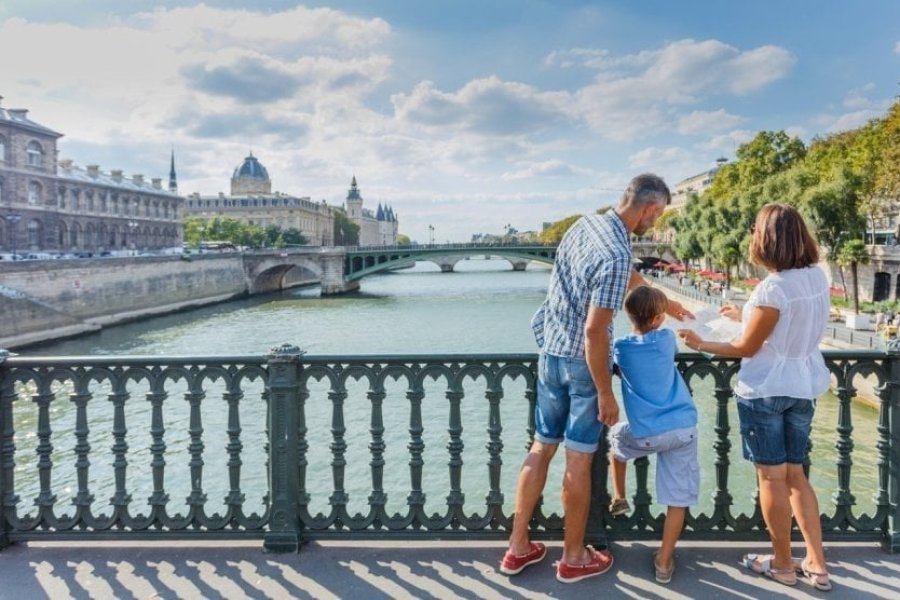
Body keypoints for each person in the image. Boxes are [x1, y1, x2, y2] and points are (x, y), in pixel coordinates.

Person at [499, 173, 693, 583]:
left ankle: (517, 546)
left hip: (549, 352)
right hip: (581, 364)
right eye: (657, 215)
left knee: (541, 447)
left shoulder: (584, 225)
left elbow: (626, 281)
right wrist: (606, 392)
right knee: (579, 458)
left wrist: (667, 302)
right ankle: (574, 557)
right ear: (650, 208)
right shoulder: (617, 255)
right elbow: (593, 332)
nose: (655, 223)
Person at [678, 203, 832, 591]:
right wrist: (742, 315)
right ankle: (817, 563)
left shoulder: (773, 288)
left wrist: (702, 342)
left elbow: (747, 348)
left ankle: (781, 563)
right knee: (797, 476)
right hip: (803, 387)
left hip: (766, 391)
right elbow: (782, 328)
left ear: (766, 239)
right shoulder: (816, 278)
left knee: (771, 479)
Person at [608, 286, 698, 584]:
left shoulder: (621, 347)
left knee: (616, 440)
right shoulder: (666, 338)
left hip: (647, 433)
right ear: (659, 318)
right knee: (677, 497)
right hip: (682, 428)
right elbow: (669, 344)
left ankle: (620, 495)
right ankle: (664, 560)